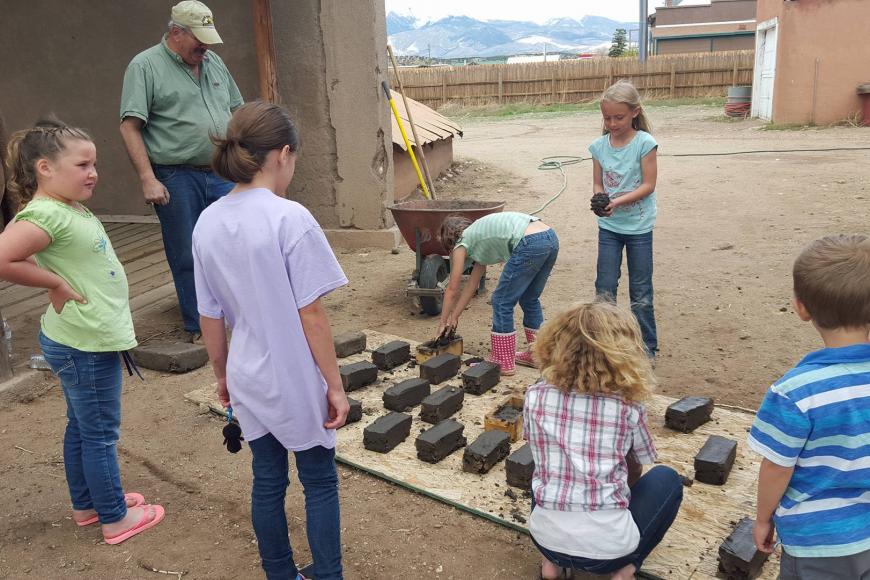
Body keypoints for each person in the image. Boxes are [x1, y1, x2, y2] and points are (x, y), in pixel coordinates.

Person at [194, 102, 349, 580]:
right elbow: (313, 316)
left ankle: (279, 573)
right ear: (283, 154)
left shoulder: (207, 222)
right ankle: (328, 575)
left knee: (266, 480)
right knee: (319, 481)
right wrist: (335, 385)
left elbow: (210, 315)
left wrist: (222, 375)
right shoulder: (290, 218)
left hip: (246, 373)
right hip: (295, 375)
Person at [0, 119, 164, 544]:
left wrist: (52, 274)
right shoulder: (47, 213)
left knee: (81, 426)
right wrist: (52, 283)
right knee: (99, 433)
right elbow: (3, 257)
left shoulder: (65, 207)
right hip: (85, 342)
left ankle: (88, 504)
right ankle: (114, 518)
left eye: (94, 163)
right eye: (82, 164)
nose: (92, 172)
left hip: (81, 336)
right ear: (45, 168)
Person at [524, 302, 683, 580]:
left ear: (555, 343)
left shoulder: (535, 395)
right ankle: (626, 570)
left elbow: (538, 452)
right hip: (608, 554)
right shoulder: (628, 406)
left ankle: (551, 565)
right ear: (624, 353)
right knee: (668, 479)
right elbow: (638, 466)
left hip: (544, 537)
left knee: (543, 471)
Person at [119, 0, 243, 343]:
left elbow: (237, 110)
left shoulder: (213, 61)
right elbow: (130, 127)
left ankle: (237, 316)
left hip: (220, 170)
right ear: (176, 33)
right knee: (187, 252)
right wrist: (148, 178)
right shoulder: (144, 66)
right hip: (175, 175)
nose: (204, 47)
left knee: (230, 244)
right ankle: (201, 325)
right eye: (198, 40)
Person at [747, 234, 870, 580]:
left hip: (817, 543)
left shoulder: (794, 393)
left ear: (801, 307)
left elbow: (777, 468)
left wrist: (762, 518)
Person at [437, 212, 559, 375]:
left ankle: (503, 361)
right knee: (529, 299)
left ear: (449, 243)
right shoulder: (479, 239)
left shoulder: (461, 243)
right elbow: (472, 285)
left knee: (501, 301)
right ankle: (537, 355)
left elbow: (452, 288)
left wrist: (442, 321)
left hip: (529, 242)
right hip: (549, 237)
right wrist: (454, 317)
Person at [588, 80, 659, 357]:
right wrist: (600, 199)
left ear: (634, 113)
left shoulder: (645, 144)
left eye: (618, 117)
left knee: (641, 292)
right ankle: (603, 344)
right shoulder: (598, 147)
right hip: (609, 227)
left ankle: (647, 349)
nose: (612, 123)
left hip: (639, 228)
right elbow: (597, 182)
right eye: (607, 118)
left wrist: (616, 201)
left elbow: (648, 185)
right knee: (604, 287)